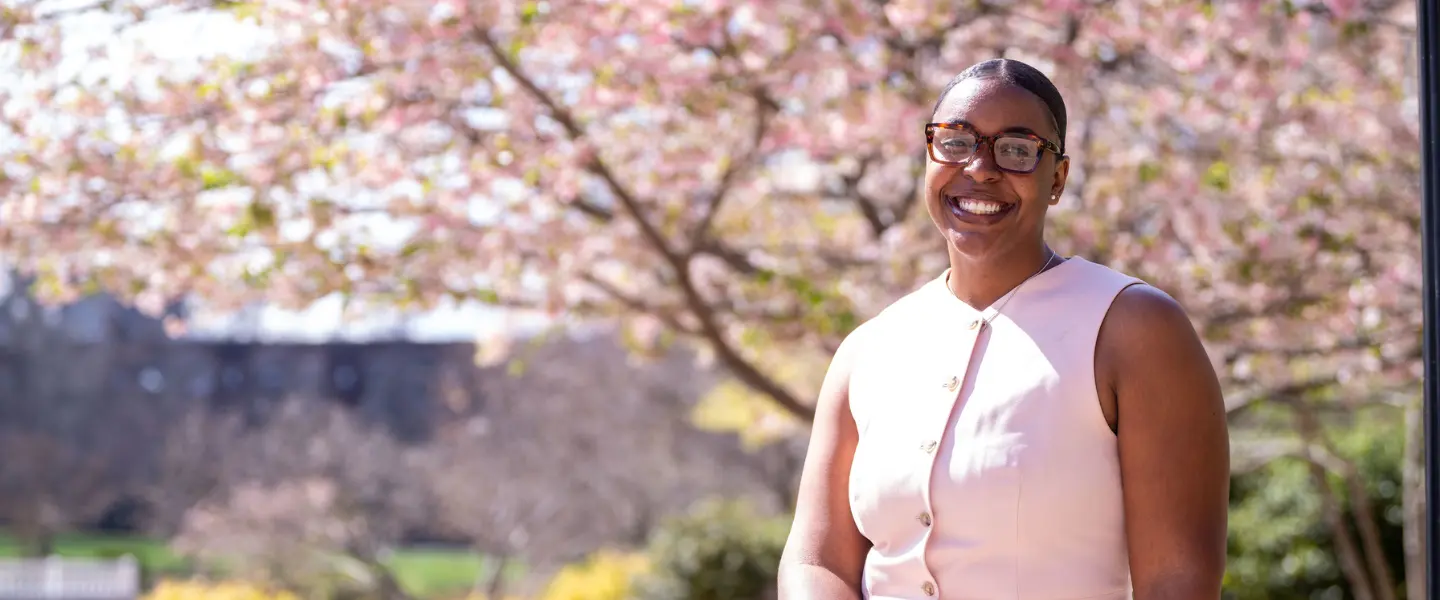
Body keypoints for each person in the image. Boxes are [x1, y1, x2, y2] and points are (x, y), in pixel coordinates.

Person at [777, 58, 1230, 600]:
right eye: (956, 141)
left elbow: (1177, 581)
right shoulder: (868, 350)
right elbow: (816, 561)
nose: (980, 168)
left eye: (1016, 150)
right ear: (928, 155)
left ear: (1057, 178)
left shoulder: (1134, 328)